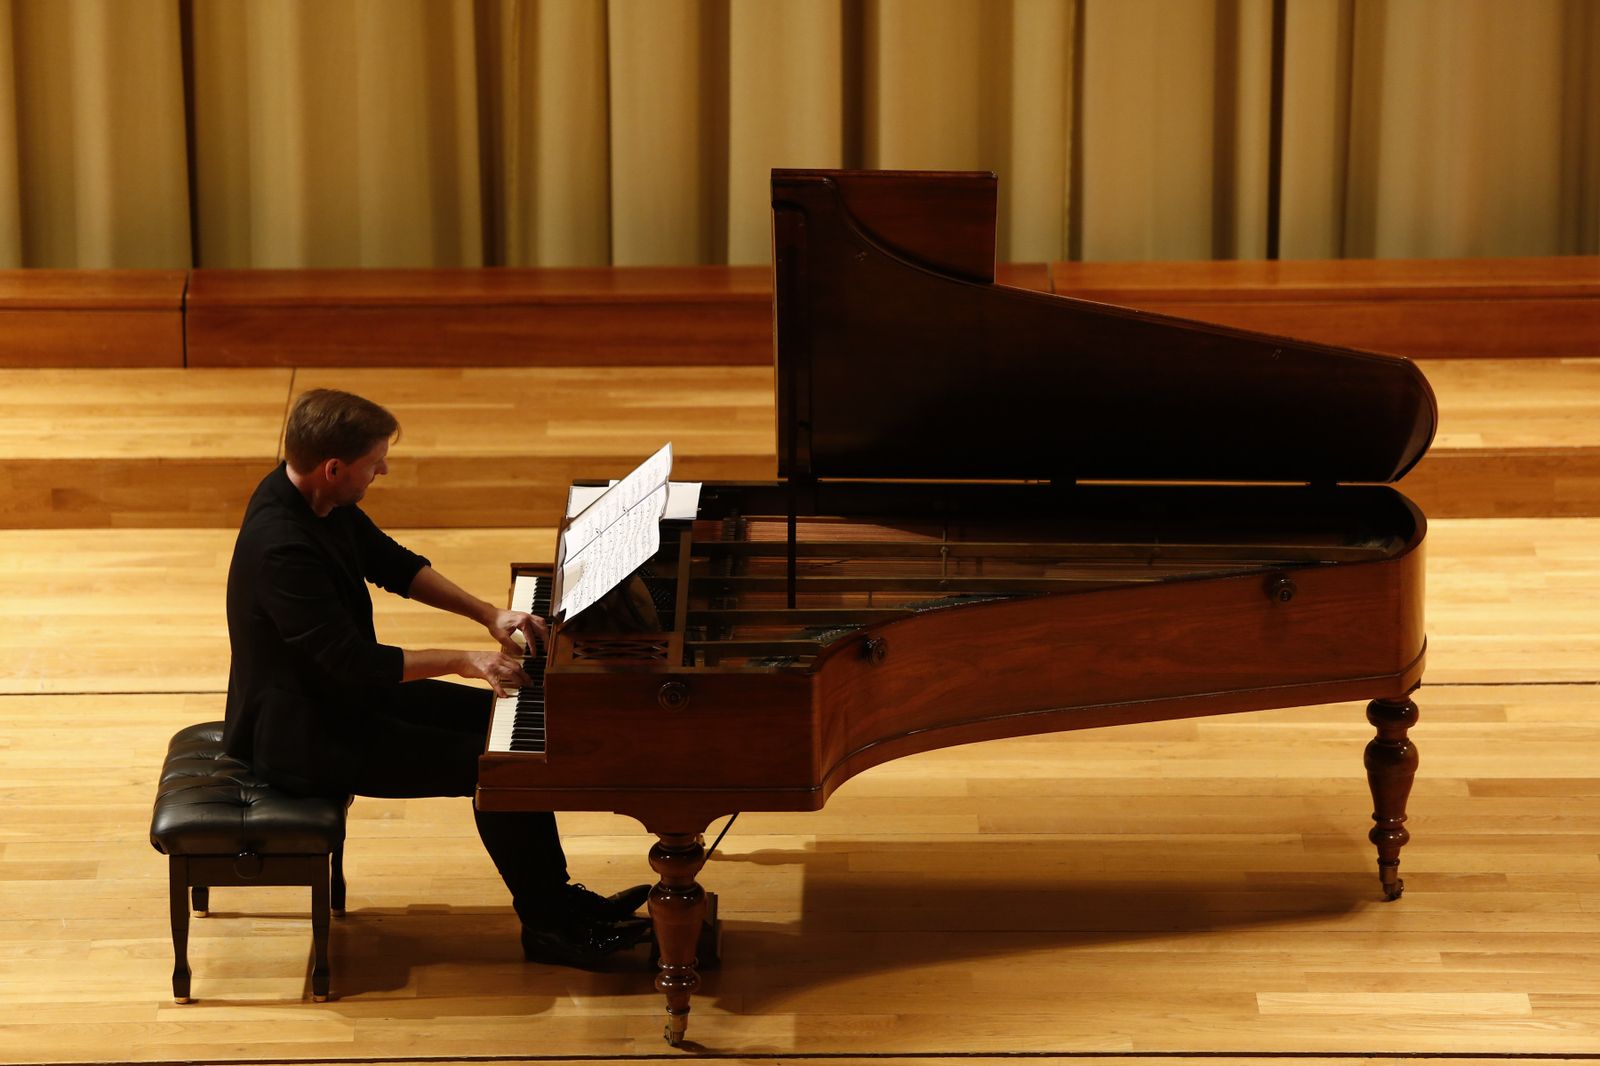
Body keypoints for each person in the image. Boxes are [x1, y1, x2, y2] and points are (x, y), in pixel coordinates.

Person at [222, 388, 649, 968]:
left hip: (343, 701)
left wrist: (488, 615)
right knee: (498, 762)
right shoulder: (282, 548)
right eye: (376, 463)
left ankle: (558, 901)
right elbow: (356, 661)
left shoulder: (318, 499)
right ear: (334, 467)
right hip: (305, 735)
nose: (384, 470)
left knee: (506, 722)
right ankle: (551, 927)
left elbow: (393, 563)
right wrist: (463, 659)